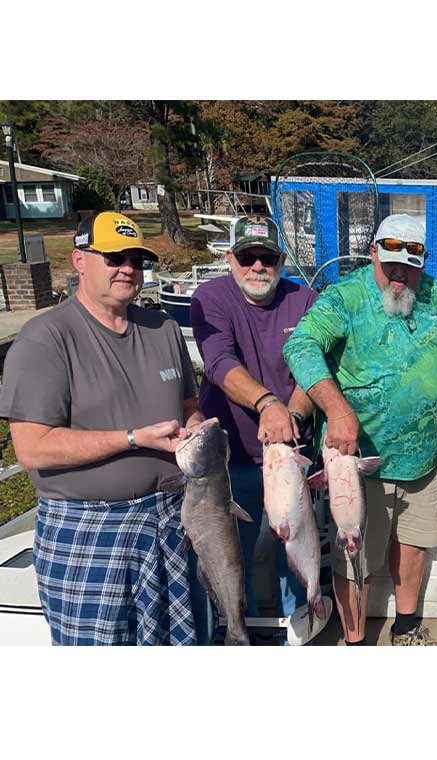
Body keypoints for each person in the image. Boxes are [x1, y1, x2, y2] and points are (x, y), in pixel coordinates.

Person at [0, 212, 204, 645]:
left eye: (136, 259)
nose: (127, 269)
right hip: (88, 531)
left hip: (169, 522)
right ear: (79, 260)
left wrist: (198, 431)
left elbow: (189, 406)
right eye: (113, 257)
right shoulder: (45, 337)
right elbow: (33, 448)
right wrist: (132, 438)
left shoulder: (163, 327)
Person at [283, 213, 437, 645]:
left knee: (415, 543)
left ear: (424, 262)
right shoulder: (344, 296)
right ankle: (356, 642)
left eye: (410, 266)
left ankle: (406, 630)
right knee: (353, 558)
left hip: (421, 456)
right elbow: (300, 345)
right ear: (373, 253)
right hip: (359, 466)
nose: (400, 274)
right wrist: (338, 410)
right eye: (390, 263)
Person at [190, 216, 331, 644]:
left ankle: (299, 633)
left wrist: (294, 417)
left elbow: (313, 368)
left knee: (296, 551)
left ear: (282, 260)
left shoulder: (305, 299)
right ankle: (238, 633)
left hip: (289, 457)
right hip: (230, 465)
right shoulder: (209, 298)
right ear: (230, 258)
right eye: (247, 257)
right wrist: (268, 404)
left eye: (266, 257)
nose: (257, 267)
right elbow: (218, 364)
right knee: (232, 560)